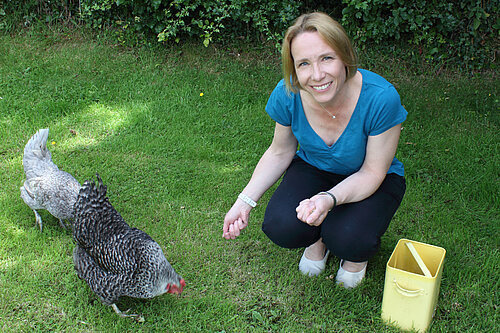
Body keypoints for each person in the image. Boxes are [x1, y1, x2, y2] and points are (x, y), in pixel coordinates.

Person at [222, 12, 407, 288]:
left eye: (327, 58)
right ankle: (319, 239)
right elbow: (279, 152)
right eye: (304, 64)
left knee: (350, 238)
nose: (317, 75)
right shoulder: (288, 93)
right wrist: (245, 200)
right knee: (281, 225)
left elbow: (372, 171)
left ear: (344, 56)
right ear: (293, 69)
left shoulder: (381, 98)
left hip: (372, 177)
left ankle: (353, 256)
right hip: (315, 168)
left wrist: (328, 199)